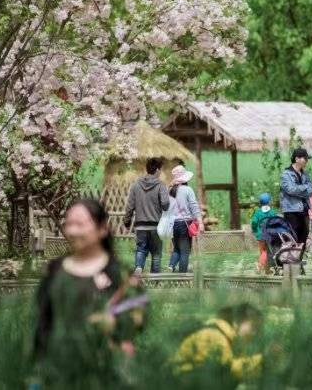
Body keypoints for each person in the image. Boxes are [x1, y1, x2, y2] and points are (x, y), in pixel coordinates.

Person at [34, 199, 147, 387]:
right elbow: (42, 320)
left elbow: (137, 316)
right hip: (60, 365)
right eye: (69, 224)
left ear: (102, 229)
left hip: (107, 364)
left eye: (80, 224)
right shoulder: (54, 271)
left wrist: (113, 325)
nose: (73, 230)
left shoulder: (119, 274)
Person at [173, 303, 263, 383]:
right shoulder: (215, 336)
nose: (255, 333)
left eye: (258, 329)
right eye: (253, 327)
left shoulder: (232, 340)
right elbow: (226, 371)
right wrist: (262, 361)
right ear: (237, 322)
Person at [124, 157, 171, 274]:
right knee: (156, 254)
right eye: (160, 170)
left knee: (141, 250)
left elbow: (130, 206)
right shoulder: (161, 185)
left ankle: (139, 267)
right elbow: (165, 205)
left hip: (140, 226)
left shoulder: (135, 185)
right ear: (157, 170)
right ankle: (155, 280)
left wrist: (127, 221)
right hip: (156, 226)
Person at [279, 148, 312, 259]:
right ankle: (290, 263)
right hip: (291, 212)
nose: (306, 161)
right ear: (297, 158)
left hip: (304, 210)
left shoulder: (305, 174)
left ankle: (298, 262)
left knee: (303, 238)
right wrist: (304, 189)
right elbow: (290, 189)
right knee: (293, 238)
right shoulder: (286, 174)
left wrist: (300, 190)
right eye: (305, 158)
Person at [167, 165, 203, 273]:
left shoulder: (170, 191)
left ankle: (171, 266)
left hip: (172, 224)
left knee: (177, 248)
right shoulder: (188, 190)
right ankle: (182, 276)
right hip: (185, 224)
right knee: (185, 251)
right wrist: (200, 222)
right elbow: (194, 206)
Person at [250, 192, 277, 274]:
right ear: (269, 202)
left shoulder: (258, 212)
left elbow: (254, 222)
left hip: (260, 235)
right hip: (269, 235)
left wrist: (255, 230)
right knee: (267, 252)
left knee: (263, 252)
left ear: (260, 203)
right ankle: (263, 267)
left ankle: (263, 267)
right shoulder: (272, 212)